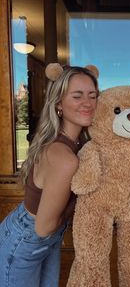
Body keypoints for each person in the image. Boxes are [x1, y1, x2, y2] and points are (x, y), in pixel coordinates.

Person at [0, 63, 99, 287]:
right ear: (58, 104)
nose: (88, 103)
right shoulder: (64, 157)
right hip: (26, 240)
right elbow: (43, 226)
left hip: (47, 239)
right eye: (77, 96)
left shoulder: (80, 145)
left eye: (93, 96)